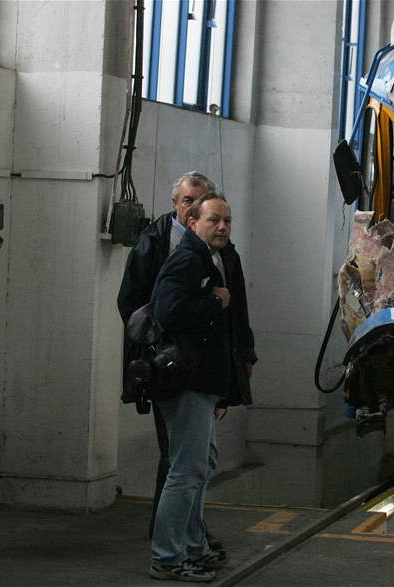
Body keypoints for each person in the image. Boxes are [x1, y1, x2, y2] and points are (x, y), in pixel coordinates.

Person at [148, 192, 256, 582]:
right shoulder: (187, 261)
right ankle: (168, 557)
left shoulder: (212, 259)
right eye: (214, 220)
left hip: (204, 382)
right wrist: (214, 302)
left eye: (227, 220)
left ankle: (193, 547)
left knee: (200, 465)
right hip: (186, 382)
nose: (223, 227)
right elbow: (167, 311)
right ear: (193, 222)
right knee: (186, 470)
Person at [117, 171, 225, 547]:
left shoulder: (215, 251)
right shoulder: (159, 247)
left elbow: (232, 314)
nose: (194, 207)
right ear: (178, 206)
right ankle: (171, 542)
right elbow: (135, 307)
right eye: (188, 201)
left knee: (196, 461)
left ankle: (185, 537)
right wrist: (161, 349)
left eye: (202, 201)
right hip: (170, 368)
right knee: (181, 460)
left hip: (201, 369)